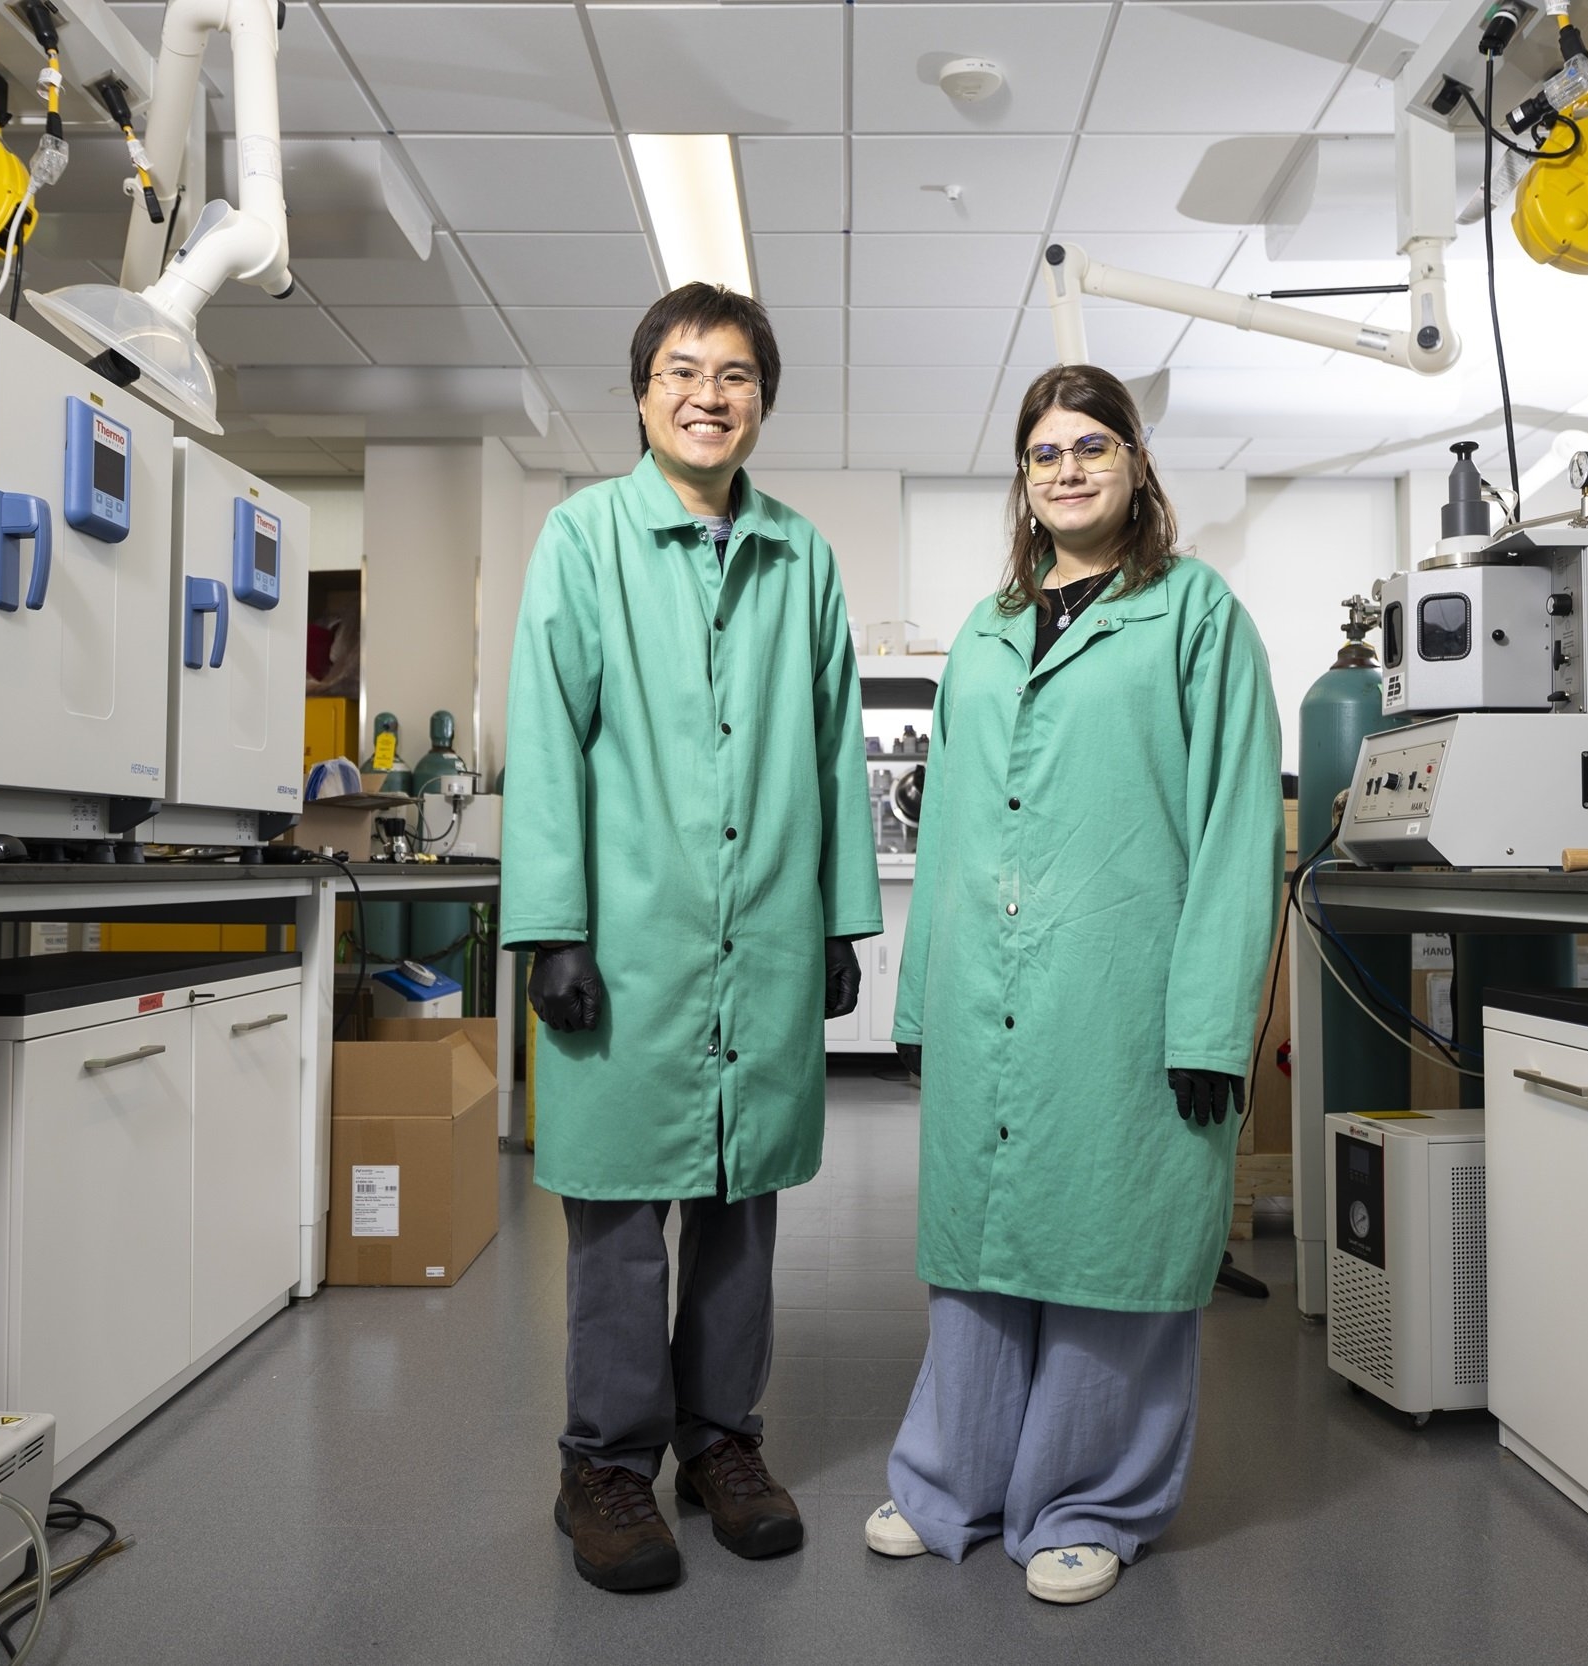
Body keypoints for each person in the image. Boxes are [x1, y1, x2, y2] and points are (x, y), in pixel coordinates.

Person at [866, 363, 1282, 1604]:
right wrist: (917, 1000)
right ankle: (956, 1481)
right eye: (1045, 451)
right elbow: (945, 834)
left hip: (1125, 994)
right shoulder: (988, 629)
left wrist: (1211, 1019)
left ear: (1136, 464)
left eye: (1092, 445)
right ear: (1022, 478)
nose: (1068, 468)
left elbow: (1231, 829)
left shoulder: (1195, 615)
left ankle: (1091, 1499)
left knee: (1115, 1251)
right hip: (989, 985)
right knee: (982, 1250)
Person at [502, 283, 881, 1594]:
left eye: (733, 373)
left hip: (762, 929)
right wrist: (550, 926)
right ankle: (603, 1463)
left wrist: (841, 916)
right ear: (643, 392)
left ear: (760, 400)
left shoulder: (802, 555)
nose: (707, 392)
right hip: (627, 939)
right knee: (616, 1217)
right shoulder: (583, 538)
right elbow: (547, 740)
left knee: (738, 1205)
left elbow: (835, 744)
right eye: (682, 369)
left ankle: (723, 1442)